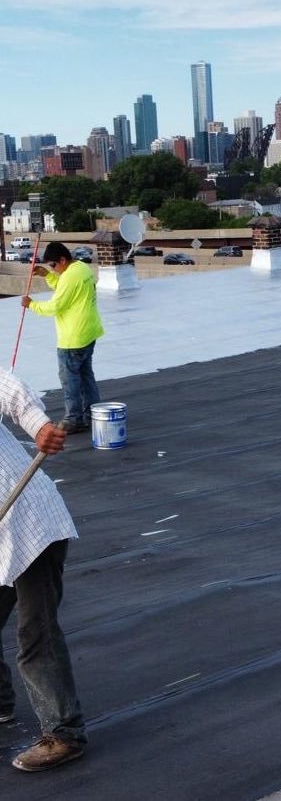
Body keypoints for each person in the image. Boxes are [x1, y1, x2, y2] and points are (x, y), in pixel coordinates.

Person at [0, 365, 87, 771]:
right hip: (1, 542)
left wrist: (39, 428)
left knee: (37, 633)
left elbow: (9, 389)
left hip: (33, 523)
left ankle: (64, 734)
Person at [21, 241, 104, 434]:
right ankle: (92, 414)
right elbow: (67, 287)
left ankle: (74, 419)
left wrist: (31, 305)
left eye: (53, 265)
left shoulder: (70, 276)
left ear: (63, 260)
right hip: (89, 333)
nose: (53, 269)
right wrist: (48, 275)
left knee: (70, 379)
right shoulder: (82, 268)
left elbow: (55, 306)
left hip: (72, 338)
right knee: (85, 375)